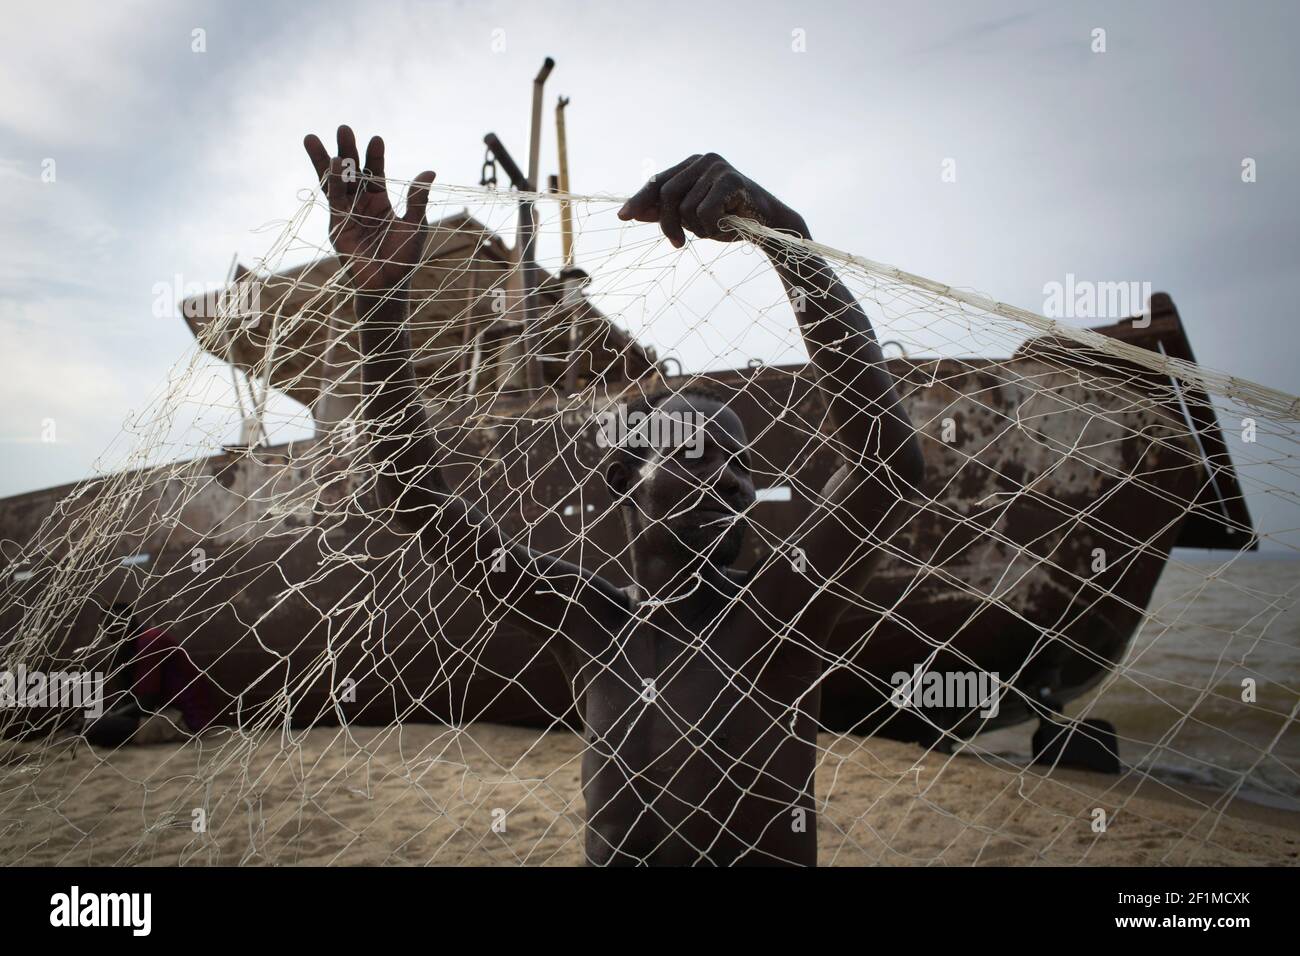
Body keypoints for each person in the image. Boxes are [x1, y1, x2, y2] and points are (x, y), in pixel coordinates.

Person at [302, 127, 926, 865]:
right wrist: (378, 308)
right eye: (695, 449)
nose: (730, 474)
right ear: (627, 479)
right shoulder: (589, 622)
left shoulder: (775, 616)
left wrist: (790, 242)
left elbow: (888, 464)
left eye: (744, 464)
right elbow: (410, 498)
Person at [83, 605, 218, 747]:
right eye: (106, 630)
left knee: (98, 729)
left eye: (114, 628)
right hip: (163, 711)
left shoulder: (149, 641)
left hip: (185, 719)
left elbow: (145, 705)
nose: (109, 635)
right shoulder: (129, 648)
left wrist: (111, 716)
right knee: (95, 724)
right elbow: (131, 700)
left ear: (129, 624)